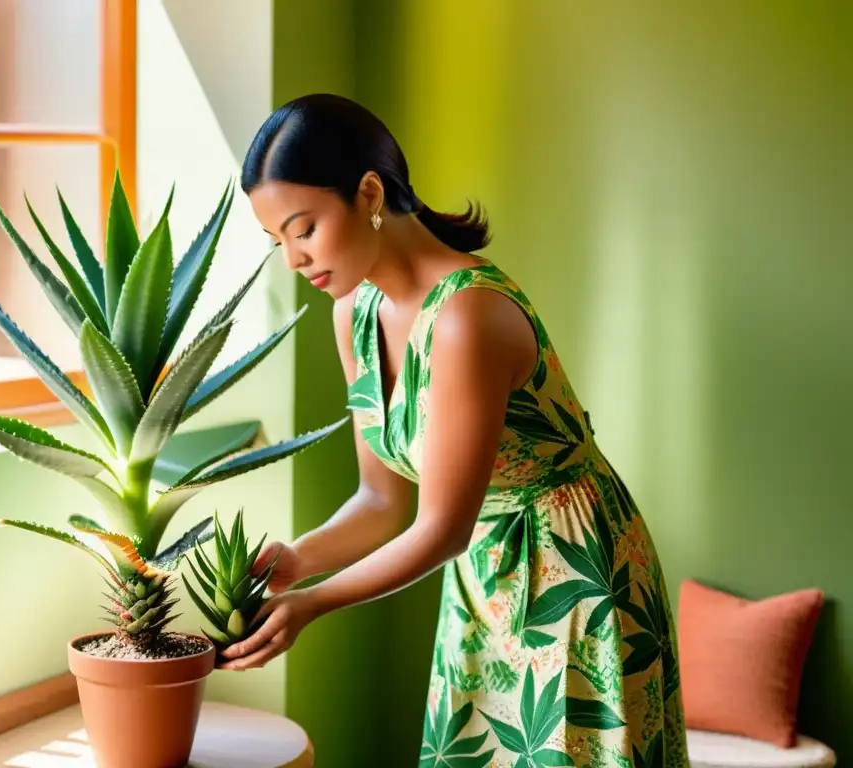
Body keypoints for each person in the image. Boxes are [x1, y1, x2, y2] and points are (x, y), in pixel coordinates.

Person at [219, 93, 689, 768]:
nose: (293, 259)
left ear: (370, 193)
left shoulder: (467, 318)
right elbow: (382, 503)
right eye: (278, 242)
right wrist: (302, 559)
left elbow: (441, 528)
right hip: (482, 580)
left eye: (304, 229)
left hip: (576, 577)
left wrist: (313, 605)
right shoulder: (353, 309)